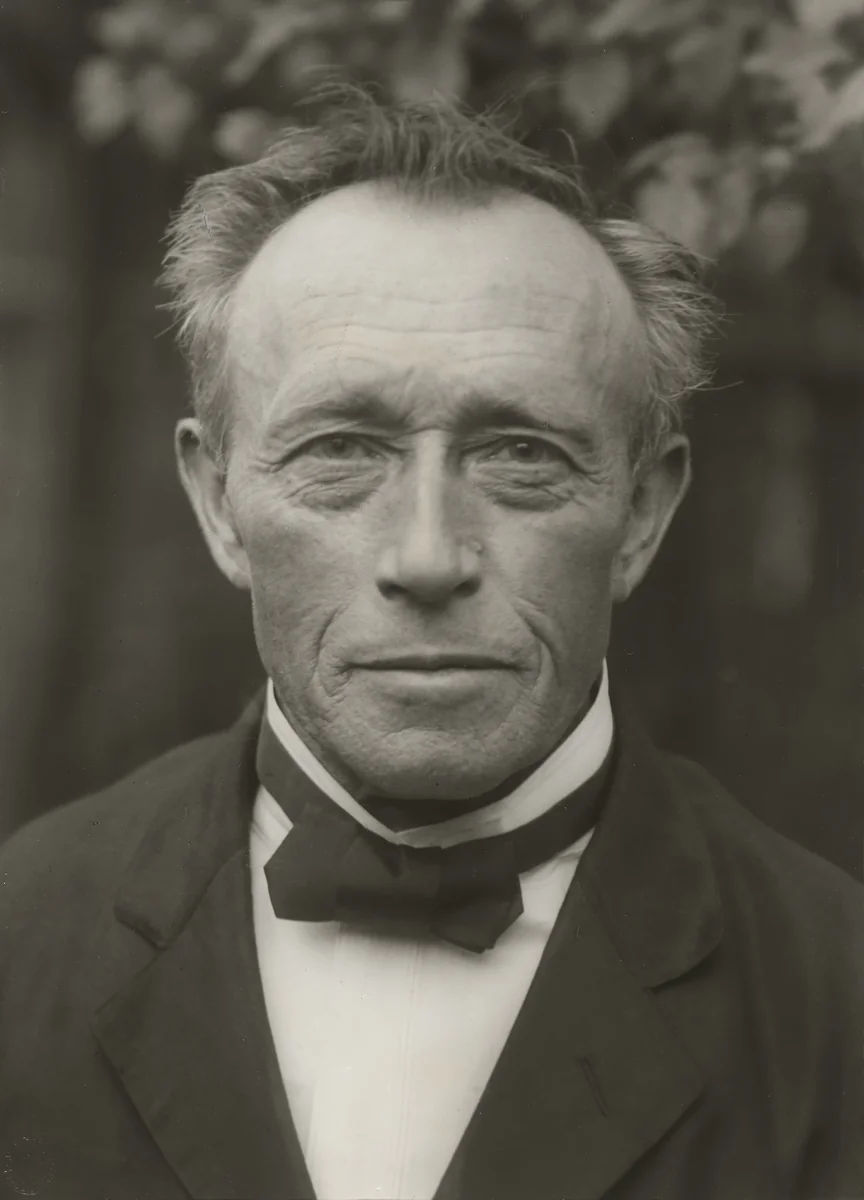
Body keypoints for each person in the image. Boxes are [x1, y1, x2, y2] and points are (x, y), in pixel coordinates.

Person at [0, 92, 860, 1200]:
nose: (426, 555)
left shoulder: (837, 994)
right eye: (342, 450)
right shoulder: (19, 940)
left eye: (519, 456)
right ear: (219, 505)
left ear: (641, 515)